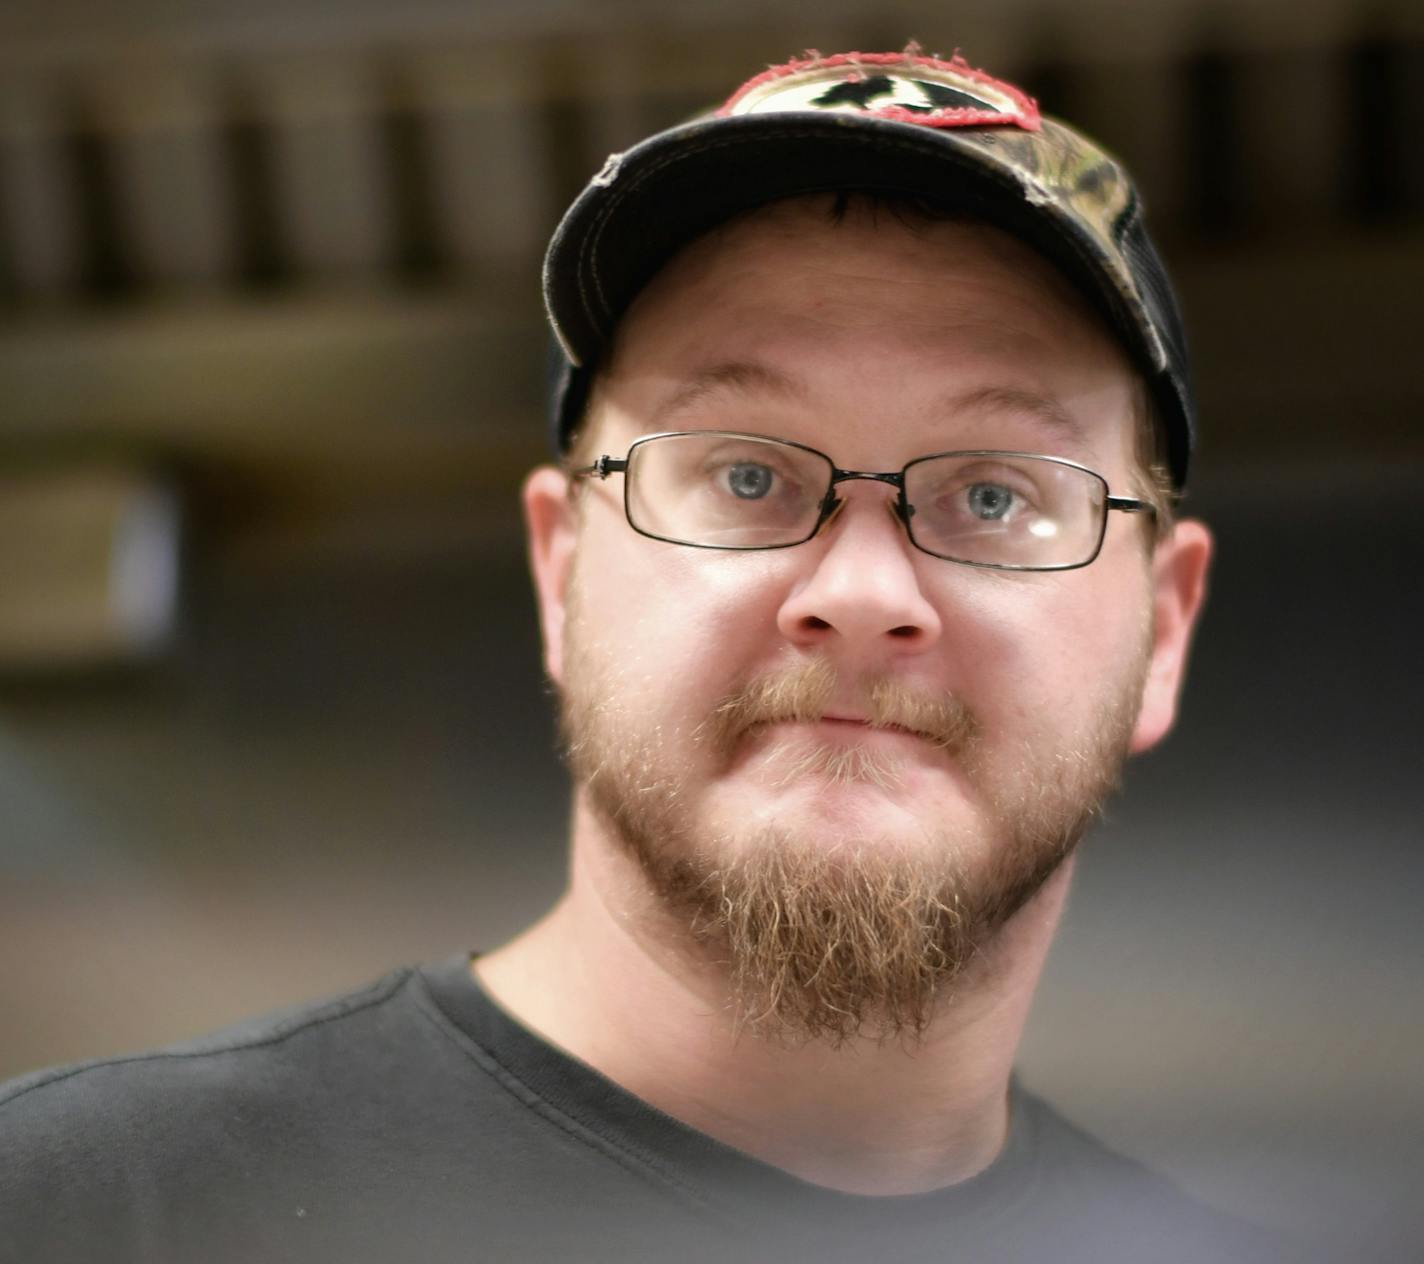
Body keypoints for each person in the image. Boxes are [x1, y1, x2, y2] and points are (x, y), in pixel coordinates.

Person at [2, 48, 1293, 1264]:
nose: (857, 593)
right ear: (561, 574)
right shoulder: (81, 1209)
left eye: (999, 497)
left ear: (1165, 629)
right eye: (744, 472)